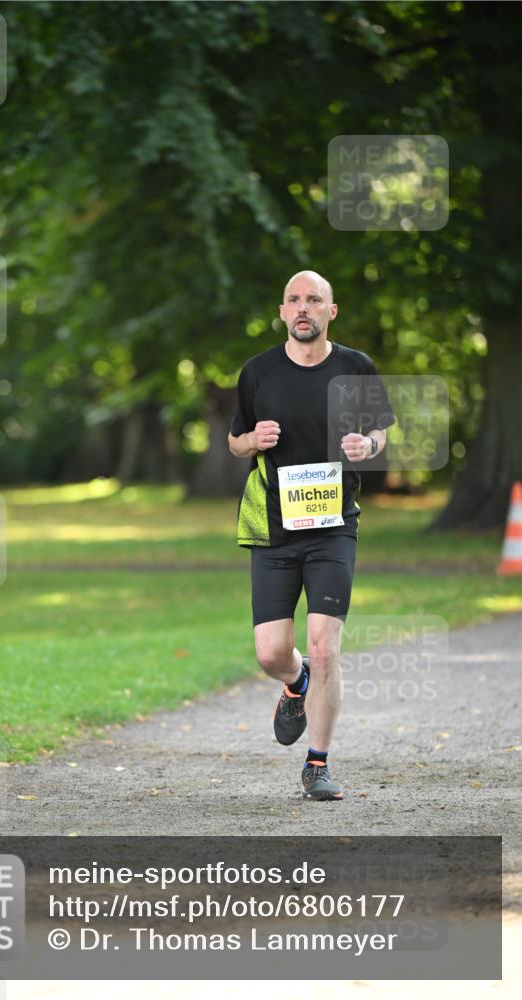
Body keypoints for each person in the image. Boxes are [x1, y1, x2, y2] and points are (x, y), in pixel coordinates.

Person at [228, 270, 394, 801]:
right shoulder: (257, 372)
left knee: (325, 649)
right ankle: (294, 684)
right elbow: (234, 442)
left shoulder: (355, 367)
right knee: (272, 652)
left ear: (331, 311)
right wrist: (253, 438)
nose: (304, 308)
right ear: (282, 312)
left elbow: (381, 429)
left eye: (314, 300)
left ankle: (317, 763)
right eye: (295, 300)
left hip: (334, 526)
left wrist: (368, 446)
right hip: (275, 528)